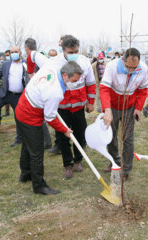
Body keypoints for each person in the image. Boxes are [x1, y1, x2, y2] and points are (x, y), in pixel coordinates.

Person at [15, 62, 82, 195]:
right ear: (64, 75)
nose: (75, 84)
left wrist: (30, 70)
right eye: (74, 80)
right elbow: (50, 118)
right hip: (29, 117)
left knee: (27, 146)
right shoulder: (55, 92)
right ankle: (39, 185)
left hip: (21, 108)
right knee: (37, 152)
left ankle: (26, 174)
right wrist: (65, 130)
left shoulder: (51, 66)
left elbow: (32, 55)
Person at [51, 35, 96, 179]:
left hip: (78, 106)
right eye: (70, 52)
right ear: (63, 50)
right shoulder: (54, 63)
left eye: (76, 51)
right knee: (63, 136)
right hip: (62, 106)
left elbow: (90, 83)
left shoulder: (84, 62)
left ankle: (78, 160)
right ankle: (67, 165)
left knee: (80, 134)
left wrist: (91, 101)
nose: (73, 54)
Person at [100, 48, 148, 180]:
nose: (131, 70)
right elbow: (104, 89)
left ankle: (126, 169)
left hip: (129, 107)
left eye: (134, 67)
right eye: (128, 67)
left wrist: (138, 108)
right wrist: (107, 110)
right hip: (113, 106)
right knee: (111, 136)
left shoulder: (143, 68)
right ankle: (114, 162)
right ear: (123, 59)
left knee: (128, 139)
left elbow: (143, 90)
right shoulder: (112, 66)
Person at [24, 37, 52, 150]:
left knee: (40, 119)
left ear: (26, 48)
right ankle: (43, 141)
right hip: (35, 92)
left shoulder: (37, 60)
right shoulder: (35, 58)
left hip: (39, 93)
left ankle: (46, 142)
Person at [2, 49, 11, 117]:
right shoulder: (4, 63)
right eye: (6, 55)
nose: (7, 57)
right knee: (6, 98)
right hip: (6, 83)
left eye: (8, 55)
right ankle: (7, 112)